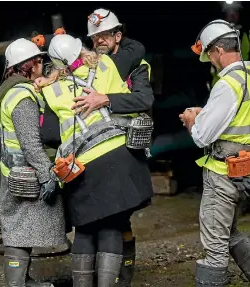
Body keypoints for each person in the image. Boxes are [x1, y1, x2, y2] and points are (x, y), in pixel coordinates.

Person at [38, 33, 154, 287]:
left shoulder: (50, 90)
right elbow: (136, 49)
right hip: (120, 157)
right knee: (112, 225)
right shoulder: (107, 65)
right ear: (82, 49)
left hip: (83, 167)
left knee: (85, 227)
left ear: (56, 63)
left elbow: (48, 135)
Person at [181, 20, 250, 286]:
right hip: (246, 174)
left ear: (219, 50)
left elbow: (201, 137)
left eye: (209, 54)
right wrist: (206, 114)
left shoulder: (227, 84)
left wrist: (191, 120)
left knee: (215, 249)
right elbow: (240, 123)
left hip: (222, 174)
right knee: (230, 233)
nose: (210, 60)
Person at [0, 38, 67, 287]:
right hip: (27, 173)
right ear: (29, 65)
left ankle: (23, 280)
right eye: (39, 60)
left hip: (15, 170)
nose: (42, 64)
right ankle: (17, 284)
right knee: (21, 230)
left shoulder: (10, 91)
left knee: (19, 228)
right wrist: (47, 176)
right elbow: (30, 143)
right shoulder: (22, 97)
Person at [86, 9, 153, 286]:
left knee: (119, 215)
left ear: (118, 36)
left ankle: (123, 276)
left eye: (105, 35)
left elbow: (144, 99)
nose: (99, 40)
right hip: (91, 148)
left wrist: (106, 99)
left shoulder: (136, 63)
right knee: (93, 215)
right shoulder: (88, 64)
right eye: (95, 36)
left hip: (124, 146)